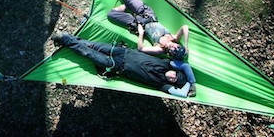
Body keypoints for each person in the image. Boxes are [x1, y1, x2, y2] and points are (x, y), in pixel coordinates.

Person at [99, 0, 196, 96]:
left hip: (139, 24)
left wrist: (140, 34)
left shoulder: (159, 49)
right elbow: (185, 27)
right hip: (147, 14)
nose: (174, 46)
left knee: (111, 15)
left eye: (174, 50)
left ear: (170, 53)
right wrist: (186, 45)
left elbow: (141, 49)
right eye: (177, 46)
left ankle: (128, 6)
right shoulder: (174, 37)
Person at [51, 33, 191, 97]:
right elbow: (185, 66)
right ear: (175, 70)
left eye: (174, 80)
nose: (172, 77)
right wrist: (192, 80)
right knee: (92, 45)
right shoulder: (167, 63)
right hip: (123, 52)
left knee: (89, 54)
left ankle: (64, 39)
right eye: (175, 75)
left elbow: (182, 94)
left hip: (117, 66)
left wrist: (189, 85)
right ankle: (68, 38)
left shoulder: (162, 84)